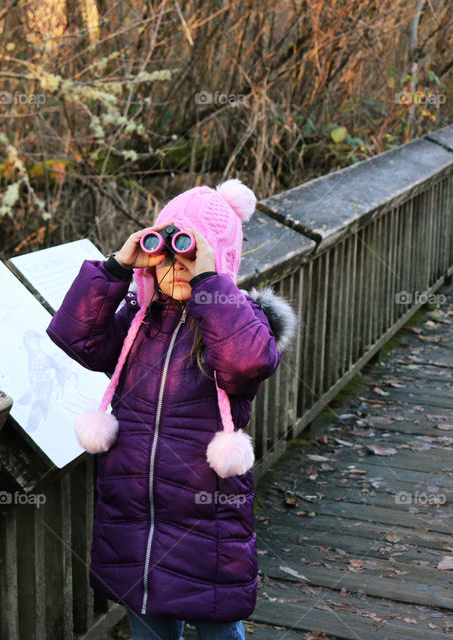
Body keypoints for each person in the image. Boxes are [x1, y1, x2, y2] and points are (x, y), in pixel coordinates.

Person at [46, 179, 298, 640]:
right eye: (168, 252)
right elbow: (75, 337)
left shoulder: (238, 322)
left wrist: (208, 283)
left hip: (208, 520)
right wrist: (117, 267)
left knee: (218, 629)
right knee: (148, 626)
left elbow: (249, 361)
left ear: (218, 262)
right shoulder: (140, 321)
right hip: (135, 514)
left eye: (192, 254)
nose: (177, 266)